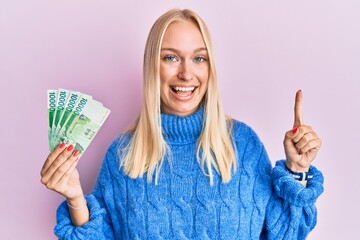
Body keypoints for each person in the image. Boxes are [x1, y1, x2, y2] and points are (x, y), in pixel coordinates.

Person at [40, 8, 324, 239]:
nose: (186, 73)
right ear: (153, 66)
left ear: (210, 67)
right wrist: (76, 199)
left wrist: (297, 169)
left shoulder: (243, 145)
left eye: (199, 58)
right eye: (171, 58)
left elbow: (285, 234)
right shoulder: (123, 155)